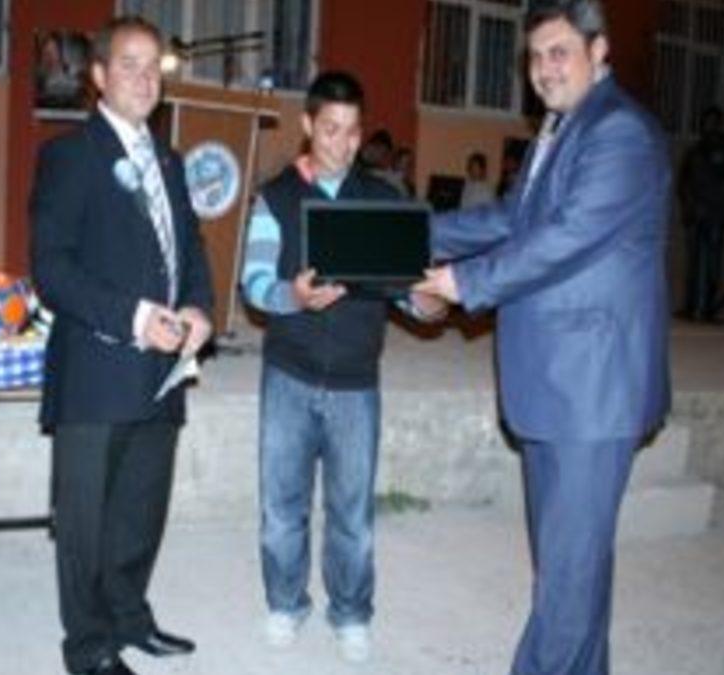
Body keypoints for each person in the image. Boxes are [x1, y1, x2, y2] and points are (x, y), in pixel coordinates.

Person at [414, 2, 672, 673]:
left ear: (599, 50)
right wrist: (410, 230)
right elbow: (512, 219)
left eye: (559, 52)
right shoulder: (560, 129)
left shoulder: (619, 133)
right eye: (535, 56)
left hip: (592, 390)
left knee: (566, 580)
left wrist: (464, 281)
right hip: (555, 384)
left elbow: (564, 239)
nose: (544, 69)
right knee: (573, 572)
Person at [29, 16, 214, 675]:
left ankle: (130, 617)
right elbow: (52, 269)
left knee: (140, 509)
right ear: (100, 76)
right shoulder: (69, 156)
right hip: (98, 371)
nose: (143, 78)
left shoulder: (169, 160)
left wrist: (198, 308)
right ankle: (88, 647)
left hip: (163, 371)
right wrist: (135, 318)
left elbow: (190, 247)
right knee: (85, 522)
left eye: (152, 66)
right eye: (128, 65)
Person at [239, 70, 443, 664]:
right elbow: (254, 284)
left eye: (353, 132)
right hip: (289, 375)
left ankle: (351, 613)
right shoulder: (275, 197)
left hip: (356, 381)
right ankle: (285, 603)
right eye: (330, 129)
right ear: (308, 125)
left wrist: (429, 304)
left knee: (352, 514)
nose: (343, 144)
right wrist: (293, 297)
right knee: (282, 508)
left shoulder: (383, 200)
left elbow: (407, 290)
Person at [679, 105, 724, 321]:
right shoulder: (695, 151)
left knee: (712, 263)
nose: (709, 127)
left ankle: (708, 308)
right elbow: (683, 181)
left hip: (714, 214)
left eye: (714, 123)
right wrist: (689, 205)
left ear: (720, 125)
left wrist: (713, 207)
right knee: (694, 263)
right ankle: (692, 306)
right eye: (706, 123)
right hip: (696, 213)